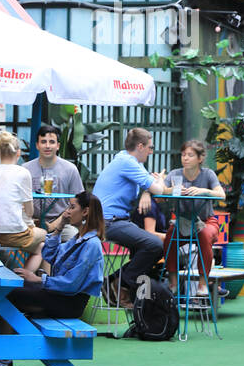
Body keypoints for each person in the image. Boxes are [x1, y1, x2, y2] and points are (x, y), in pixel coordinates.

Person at [92, 128, 168, 302]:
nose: (151, 151)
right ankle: (122, 283)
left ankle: (115, 283)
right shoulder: (127, 162)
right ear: (140, 146)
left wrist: (147, 192)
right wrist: (160, 181)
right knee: (155, 244)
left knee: (145, 249)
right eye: (150, 147)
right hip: (107, 222)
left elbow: (148, 186)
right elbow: (158, 189)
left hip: (117, 220)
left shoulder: (129, 160)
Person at [5, 192, 106, 319]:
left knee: (10, 293)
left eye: (72, 207)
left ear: (85, 211)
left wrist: (37, 279)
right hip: (58, 294)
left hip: (69, 303)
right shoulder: (77, 239)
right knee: (8, 287)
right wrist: (60, 226)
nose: (67, 212)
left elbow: (72, 283)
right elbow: (50, 255)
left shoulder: (91, 244)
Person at [162, 139, 225, 298]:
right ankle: (173, 282)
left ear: (200, 158)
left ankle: (203, 284)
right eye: (183, 155)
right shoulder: (175, 174)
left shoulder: (208, 174)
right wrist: (173, 190)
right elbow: (162, 191)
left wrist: (203, 191)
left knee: (203, 235)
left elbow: (221, 194)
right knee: (170, 236)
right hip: (182, 221)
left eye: (190, 155)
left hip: (206, 220)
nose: (186, 158)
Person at [0, 130, 46, 272]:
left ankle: (12, 276)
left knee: (35, 243)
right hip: (14, 235)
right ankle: (27, 280)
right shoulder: (22, 172)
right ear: (18, 153)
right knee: (45, 241)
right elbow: (29, 212)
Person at [24, 123, 83, 240]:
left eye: (51, 142)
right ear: (37, 145)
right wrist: (30, 222)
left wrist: (55, 225)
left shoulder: (70, 169)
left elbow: (76, 204)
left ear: (58, 146)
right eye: (43, 142)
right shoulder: (25, 169)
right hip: (31, 224)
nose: (47, 146)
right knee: (8, 243)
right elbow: (19, 202)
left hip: (64, 223)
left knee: (74, 239)